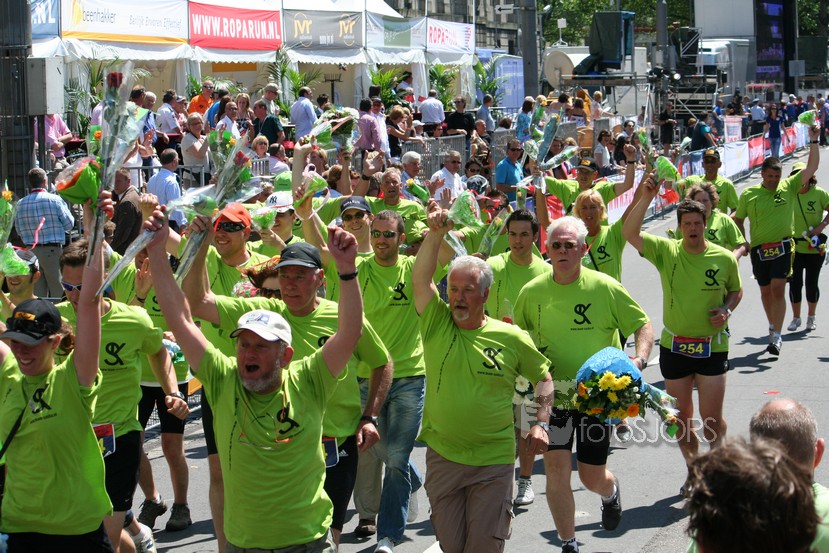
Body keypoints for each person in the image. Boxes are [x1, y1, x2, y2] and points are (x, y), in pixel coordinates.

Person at [145, 206, 365, 552]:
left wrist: (347, 270)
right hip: (242, 545)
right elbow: (181, 318)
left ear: (285, 356)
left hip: (307, 542)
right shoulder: (223, 378)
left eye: (261, 347)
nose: (248, 353)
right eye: (244, 344)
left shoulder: (309, 379)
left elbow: (349, 332)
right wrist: (157, 251)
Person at [301, 206, 452, 553]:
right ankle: (410, 478)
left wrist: (438, 229)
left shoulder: (412, 269)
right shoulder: (359, 268)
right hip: (364, 376)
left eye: (389, 235)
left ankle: (388, 536)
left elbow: (443, 254)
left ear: (401, 238)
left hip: (409, 376)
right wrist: (307, 213)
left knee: (396, 456)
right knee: (378, 449)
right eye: (378, 233)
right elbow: (321, 249)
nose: (382, 240)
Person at [412, 208, 554, 553]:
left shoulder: (510, 336)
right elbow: (420, 279)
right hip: (444, 457)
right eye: (453, 289)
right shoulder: (436, 322)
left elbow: (544, 378)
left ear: (485, 295)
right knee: (451, 545)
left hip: (493, 460)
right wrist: (434, 234)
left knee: (482, 547)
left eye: (468, 290)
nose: (458, 297)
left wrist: (541, 423)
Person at [513, 216, 653, 553]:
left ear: (583, 249)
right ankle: (569, 542)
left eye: (569, 245)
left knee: (591, 476)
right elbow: (517, 341)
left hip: (596, 399)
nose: (562, 251)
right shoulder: (531, 293)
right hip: (554, 397)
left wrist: (639, 360)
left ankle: (610, 492)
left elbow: (642, 324)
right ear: (547, 249)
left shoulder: (605, 287)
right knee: (556, 469)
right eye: (556, 245)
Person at [58, 237, 188, 553]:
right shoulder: (56, 321)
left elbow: (158, 353)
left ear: (104, 281)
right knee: (93, 529)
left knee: (105, 538)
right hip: (72, 439)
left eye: (82, 287)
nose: (74, 295)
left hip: (120, 436)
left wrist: (173, 392)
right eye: (67, 286)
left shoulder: (133, 319)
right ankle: (140, 538)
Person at [0, 194, 112, 552]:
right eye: (15, 342)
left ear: (54, 342)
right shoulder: (8, 375)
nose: (21, 351)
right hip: (20, 529)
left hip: (77, 532)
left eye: (30, 343)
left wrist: (94, 231)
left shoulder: (72, 379)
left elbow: (90, 304)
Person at [624, 183, 743, 496]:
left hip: (712, 346)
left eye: (697, 223)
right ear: (679, 227)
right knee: (679, 417)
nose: (692, 228)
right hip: (675, 346)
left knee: (711, 418)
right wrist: (646, 196)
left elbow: (736, 289)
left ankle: (716, 465)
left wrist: (727, 309)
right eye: (687, 224)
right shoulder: (667, 251)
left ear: (706, 224)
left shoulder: (723, 258)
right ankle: (694, 470)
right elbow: (629, 232)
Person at [733, 125, 820, 356]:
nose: (773, 180)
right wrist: (743, 242)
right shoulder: (749, 194)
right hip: (760, 249)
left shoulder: (788, 186)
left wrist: (814, 140)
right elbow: (738, 220)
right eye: (770, 176)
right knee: (765, 292)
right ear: (762, 174)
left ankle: (777, 336)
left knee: (778, 288)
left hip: (783, 245)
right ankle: (772, 326)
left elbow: (812, 167)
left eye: (777, 176)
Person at [484, 210, 550, 506]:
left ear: (535, 236)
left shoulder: (545, 272)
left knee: (526, 423)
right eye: (512, 234)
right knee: (496, 425)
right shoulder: (493, 266)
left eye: (524, 235)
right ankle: (498, 480)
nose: (518, 240)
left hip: (529, 359)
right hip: (493, 357)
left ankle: (524, 480)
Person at [14, 168, 74, 297]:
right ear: (45, 182)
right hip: (52, 250)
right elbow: (69, 224)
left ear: (30, 183)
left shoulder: (20, 204)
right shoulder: (55, 200)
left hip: (30, 252)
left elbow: (18, 230)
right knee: (58, 291)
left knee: (37, 292)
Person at [787, 162, 829, 331]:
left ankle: (811, 317)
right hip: (794, 248)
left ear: (811, 177)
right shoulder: (788, 194)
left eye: (804, 175)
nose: (801, 179)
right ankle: (796, 318)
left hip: (814, 247)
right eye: (797, 175)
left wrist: (821, 226)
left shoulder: (819, 193)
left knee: (812, 283)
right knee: (795, 284)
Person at [677, 182, 749, 258]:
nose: (702, 204)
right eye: (698, 201)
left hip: (720, 264)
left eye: (705, 200)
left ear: (712, 202)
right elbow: (676, 247)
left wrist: (732, 258)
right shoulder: (685, 222)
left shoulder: (724, 220)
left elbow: (741, 245)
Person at [672, 148, 739, 214]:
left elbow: (736, 209)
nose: (709, 164)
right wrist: (674, 160)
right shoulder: (693, 181)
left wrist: (725, 219)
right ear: (702, 164)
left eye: (713, 161)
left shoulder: (726, 184)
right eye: (707, 161)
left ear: (719, 164)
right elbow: (671, 185)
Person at [146, 149, 185, 232]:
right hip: (170, 223)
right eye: (178, 160)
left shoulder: (151, 179)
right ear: (174, 161)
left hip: (155, 221)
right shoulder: (171, 182)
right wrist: (182, 223)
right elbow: (175, 205)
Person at [0, 249, 40, 320]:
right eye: (10, 270)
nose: (13, 276)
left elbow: (27, 320)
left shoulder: (45, 309)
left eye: (21, 271)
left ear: (35, 276)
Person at [111, 167, 142, 255]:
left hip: (125, 252)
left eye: (118, 181)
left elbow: (122, 235)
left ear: (128, 181)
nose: (115, 185)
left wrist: (108, 250)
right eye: (113, 181)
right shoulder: (130, 194)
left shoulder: (127, 202)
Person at [181, 113, 211, 187]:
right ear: (189, 126)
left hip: (205, 177)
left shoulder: (204, 138)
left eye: (199, 123)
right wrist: (208, 135)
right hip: (192, 179)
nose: (197, 125)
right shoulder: (187, 139)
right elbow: (200, 155)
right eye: (194, 124)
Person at [495, 138, 525, 203]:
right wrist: (517, 188)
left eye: (518, 150)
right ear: (507, 151)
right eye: (513, 149)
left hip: (520, 202)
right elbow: (499, 187)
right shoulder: (503, 165)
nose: (516, 152)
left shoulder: (519, 165)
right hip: (508, 204)